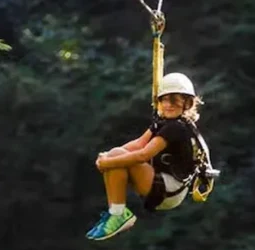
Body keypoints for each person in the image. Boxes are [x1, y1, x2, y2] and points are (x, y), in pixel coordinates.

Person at [85, 72, 213, 241]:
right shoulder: (164, 122)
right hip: (164, 185)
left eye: (174, 100)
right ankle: (115, 212)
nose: (168, 104)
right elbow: (139, 144)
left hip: (170, 190)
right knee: (116, 155)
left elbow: (143, 155)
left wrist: (108, 162)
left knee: (115, 160)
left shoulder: (175, 128)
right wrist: (108, 156)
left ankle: (118, 214)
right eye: (164, 99)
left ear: (187, 103)